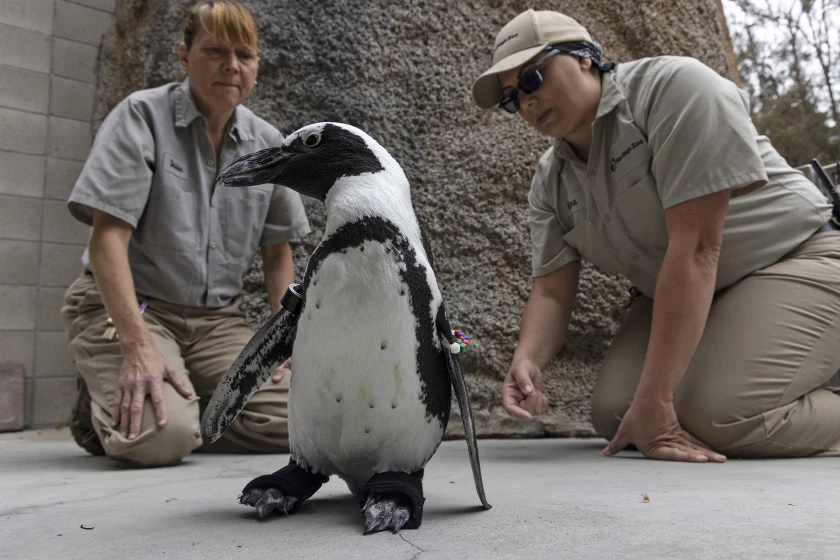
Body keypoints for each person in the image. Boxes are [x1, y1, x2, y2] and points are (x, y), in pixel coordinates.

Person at [472, 9, 840, 461]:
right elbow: (551, 291)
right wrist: (527, 361)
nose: (526, 102)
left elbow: (699, 248)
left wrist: (659, 401)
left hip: (797, 257)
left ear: (584, 57)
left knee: (719, 414)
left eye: (532, 78)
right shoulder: (550, 181)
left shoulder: (676, 89)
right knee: (616, 413)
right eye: (512, 98)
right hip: (704, 290)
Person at [61, 0, 310, 467]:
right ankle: (128, 403)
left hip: (217, 324)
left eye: (245, 55)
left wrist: (283, 342)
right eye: (215, 50)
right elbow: (106, 240)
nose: (231, 66)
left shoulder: (270, 145)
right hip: (136, 310)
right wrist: (137, 345)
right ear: (183, 54)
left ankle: (185, 400)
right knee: (160, 440)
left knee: (305, 419)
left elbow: (278, 254)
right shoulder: (140, 117)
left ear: (257, 65)